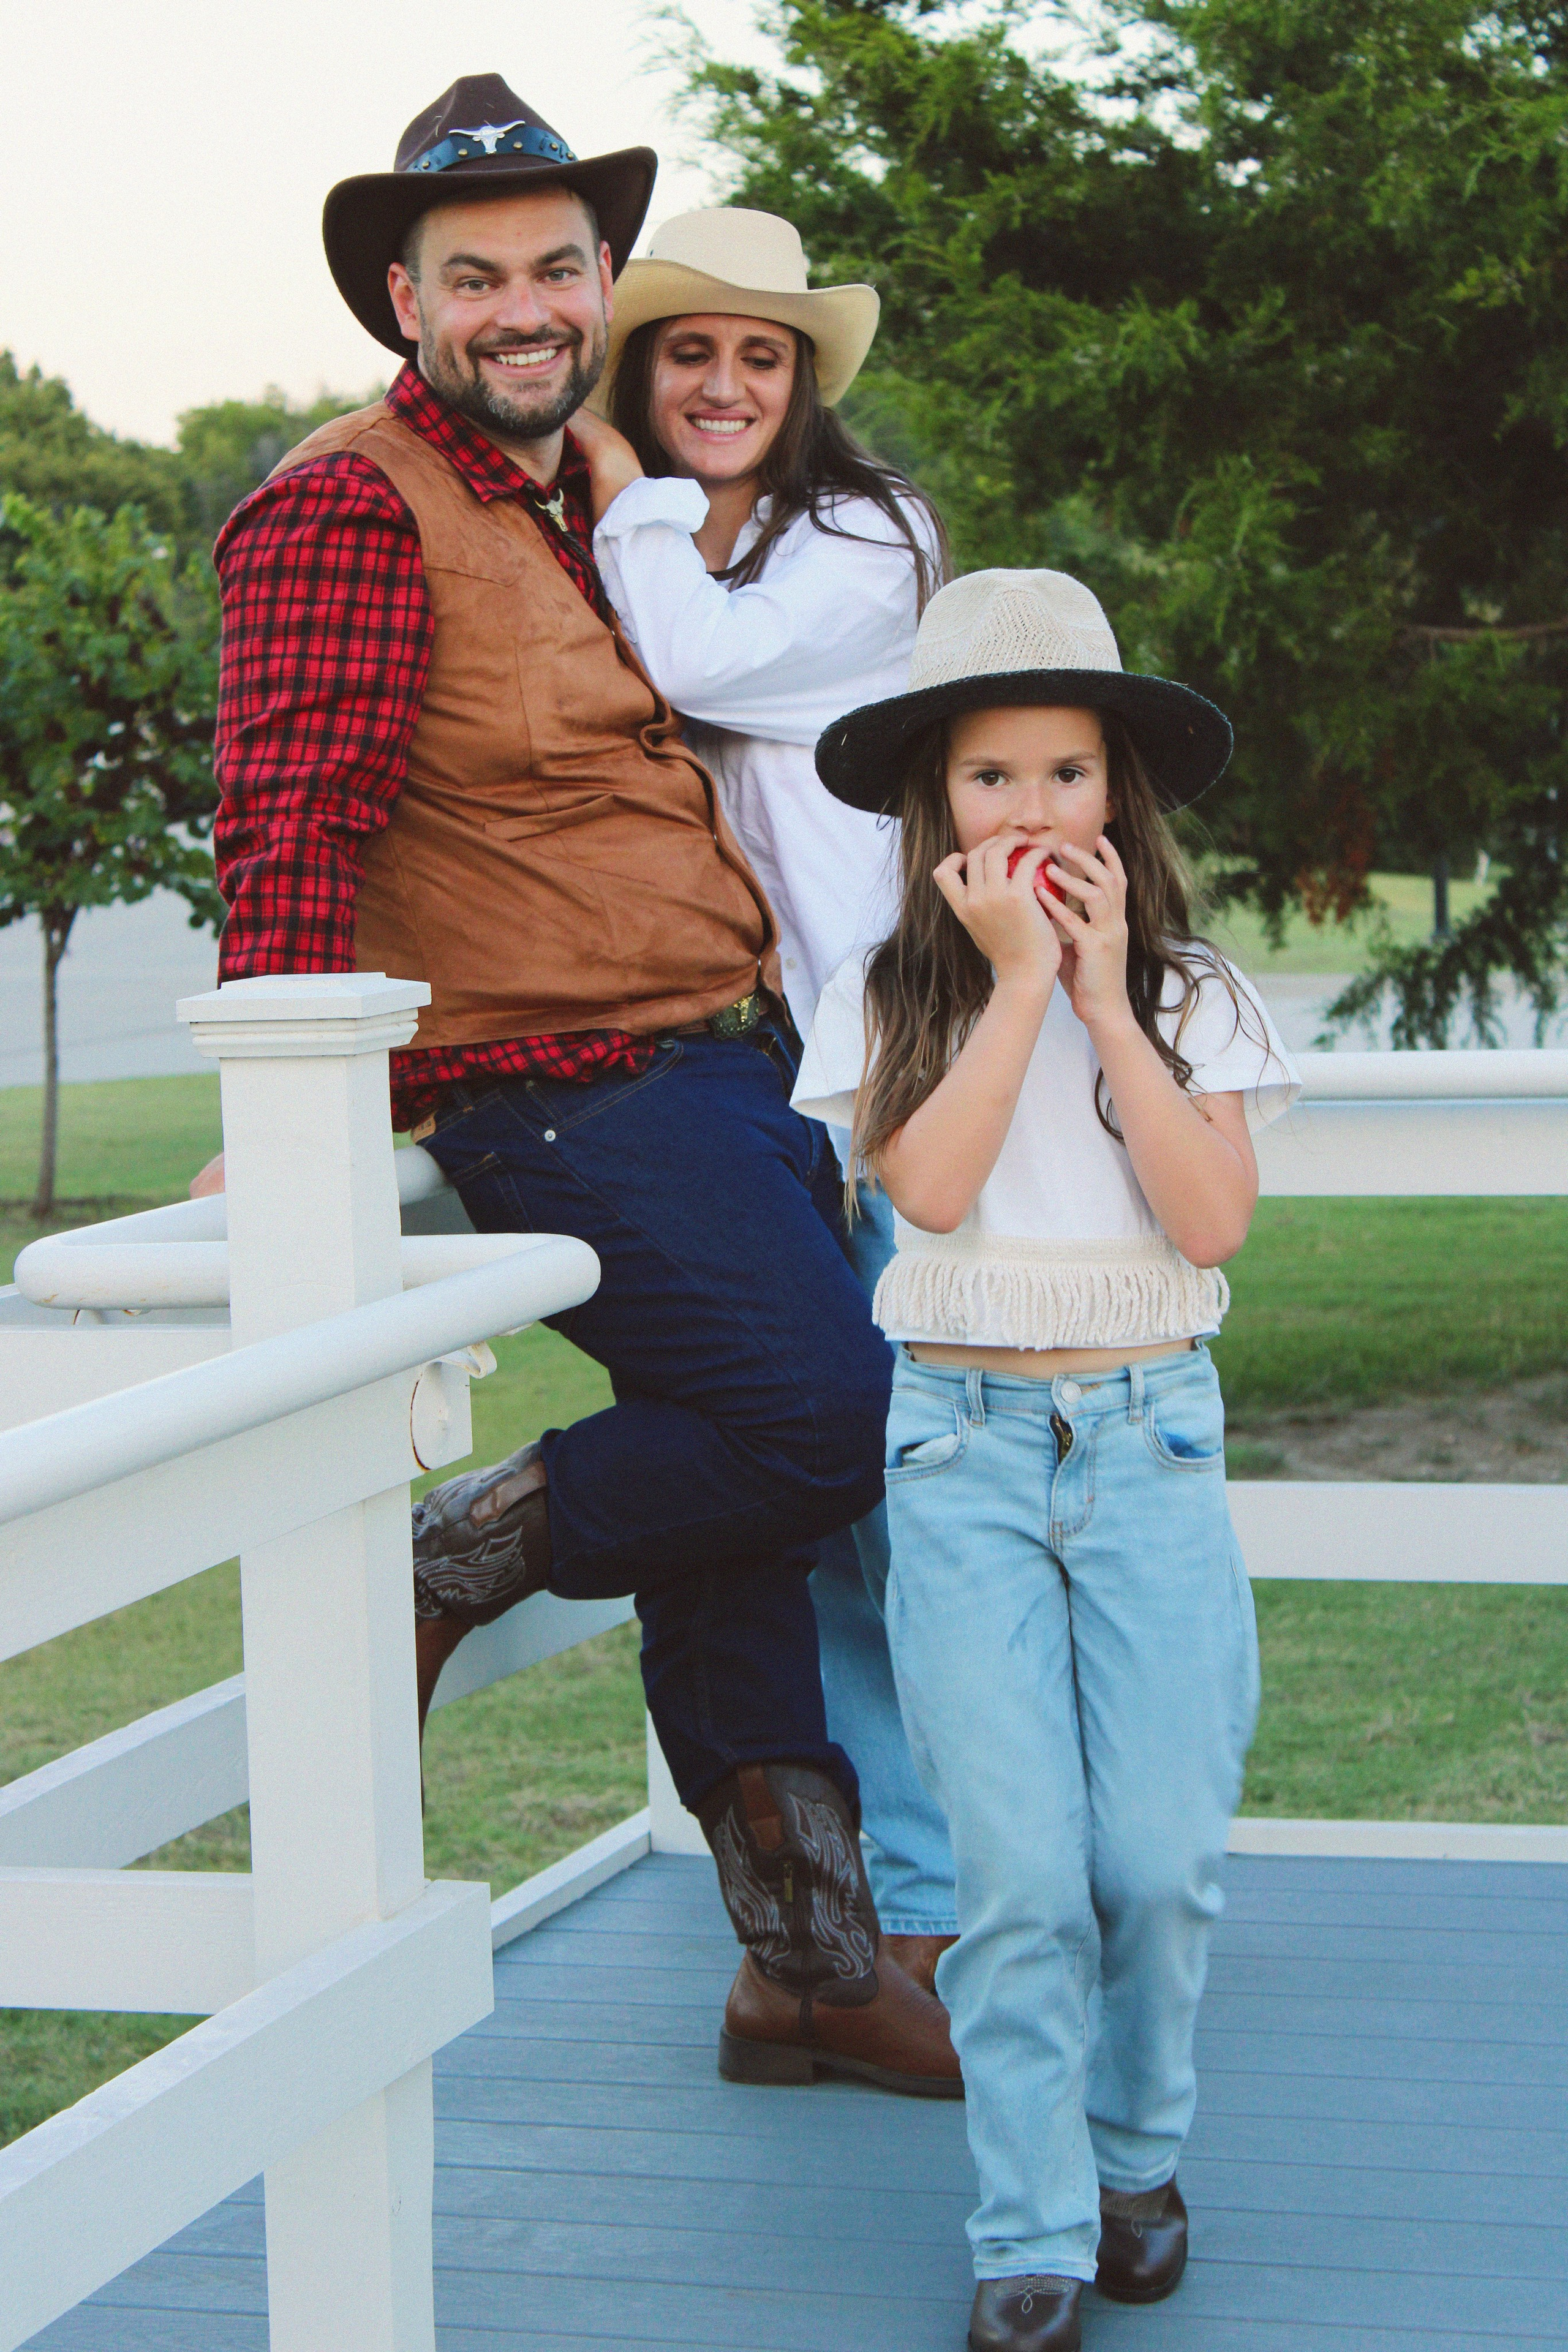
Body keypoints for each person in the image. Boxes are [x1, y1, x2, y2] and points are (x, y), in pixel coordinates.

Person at [205, 73, 958, 2099]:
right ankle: (458, 1561)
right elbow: (290, 822)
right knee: (828, 1417)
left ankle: (802, 1967)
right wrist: (283, 1124)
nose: (525, 304)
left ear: (596, 280)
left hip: (727, 1066)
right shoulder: (350, 500)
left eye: (557, 268)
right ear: (404, 294)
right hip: (566, 1077)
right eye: (478, 276)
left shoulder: (573, 494)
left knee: (741, 1475)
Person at [793, 568, 1299, 2350]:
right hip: (963, 1452)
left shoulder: (1196, 994)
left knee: (1154, 1859)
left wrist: (1100, 999)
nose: (1032, 812)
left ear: (1118, 796)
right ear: (938, 804)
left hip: (1149, 1438)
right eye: (991, 778)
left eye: (1067, 775)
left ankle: (1137, 2154)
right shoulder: (880, 997)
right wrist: (1012, 986)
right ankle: (1031, 2226)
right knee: (1014, 1872)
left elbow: (1212, 1220)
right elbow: (925, 1193)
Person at [567, 203, 961, 1990]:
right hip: (737, 1086)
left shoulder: (866, 536)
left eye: (762, 352)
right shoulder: (607, 547)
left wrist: (616, 480)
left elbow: (698, 671)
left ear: (804, 381)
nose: (725, 382)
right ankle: (843, 1931)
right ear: (647, 363)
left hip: (888, 1075)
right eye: (689, 349)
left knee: (908, 1504)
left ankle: (953, 1902)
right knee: (801, 1508)